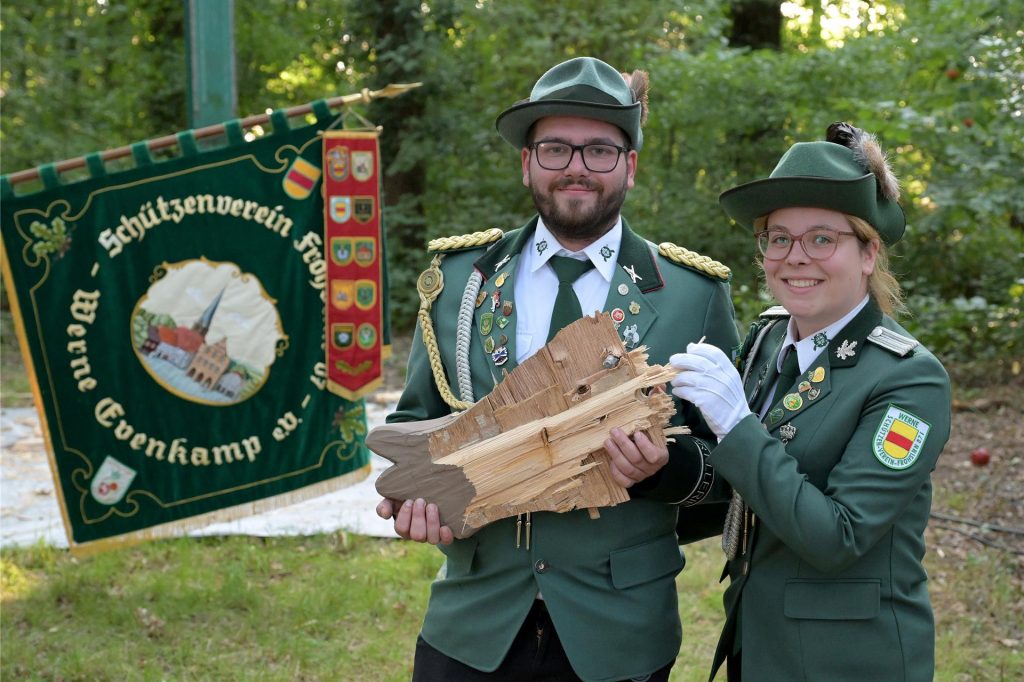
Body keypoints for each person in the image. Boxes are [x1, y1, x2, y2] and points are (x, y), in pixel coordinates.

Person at [375, 57, 739, 681]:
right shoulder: (461, 281)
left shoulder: (690, 293)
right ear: (527, 163)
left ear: (630, 166)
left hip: (619, 630)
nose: (576, 166)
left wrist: (660, 471)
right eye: (555, 149)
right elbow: (418, 425)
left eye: (599, 150)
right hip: (474, 624)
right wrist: (415, 499)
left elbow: (728, 469)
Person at [669, 122, 952, 681]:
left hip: (847, 660)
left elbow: (838, 536)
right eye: (779, 238)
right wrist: (657, 467)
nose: (795, 257)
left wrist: (736, 424)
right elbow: (742, 483)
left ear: (868, 253)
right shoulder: (769, 337)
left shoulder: (909, 379)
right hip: (758, 641)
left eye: (822, 239)